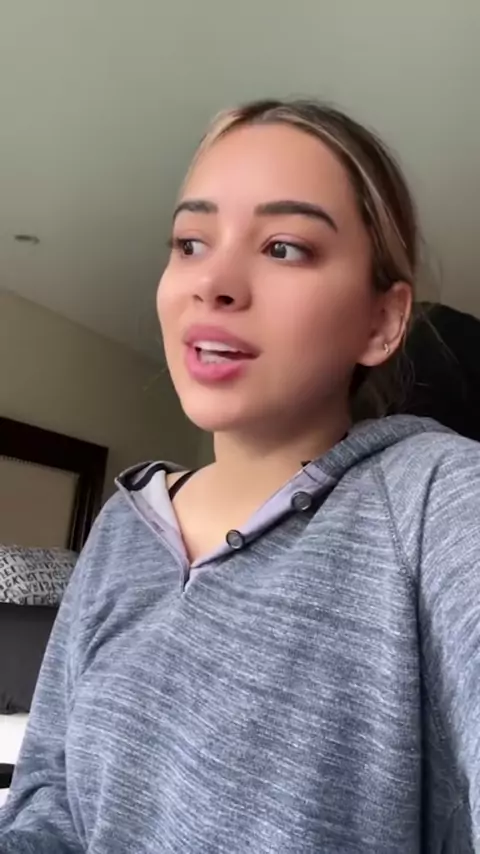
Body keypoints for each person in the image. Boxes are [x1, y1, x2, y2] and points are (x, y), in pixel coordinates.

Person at [1, 98, 479, 854]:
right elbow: (49, 801)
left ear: (382, 321)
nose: (214, 282)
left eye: (284, 247)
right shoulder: (123, 525)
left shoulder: (434, 499)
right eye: (190, 243)